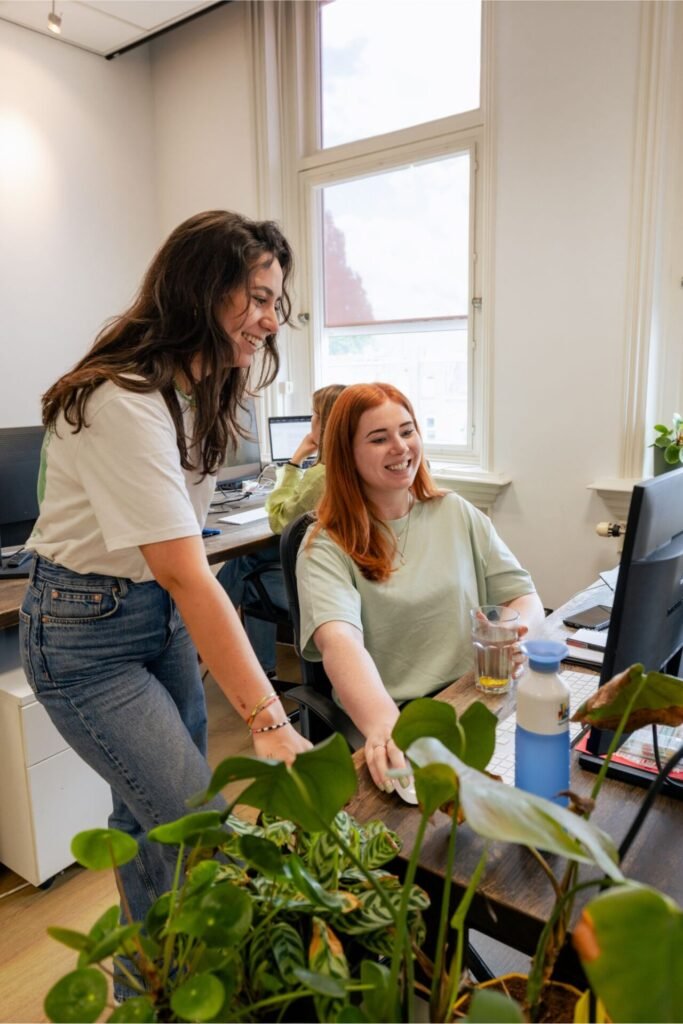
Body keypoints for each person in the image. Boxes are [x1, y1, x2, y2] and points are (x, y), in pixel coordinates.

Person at [18, 211, 311, 946]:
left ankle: (150, 988)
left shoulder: (200, 390)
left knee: (143, 814)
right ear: (199, 293)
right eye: (257, 298)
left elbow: (178, 563)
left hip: (153, 616)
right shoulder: (122, 399)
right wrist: (268, 722)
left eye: (277, 301)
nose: (270, 321)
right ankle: (170, 983)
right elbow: (185, 570)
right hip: (85, 633)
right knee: (191, 821)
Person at [296, 382, 545, 792]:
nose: (400, 446)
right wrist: (384, 726)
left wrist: (520, 637)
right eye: (379, 438)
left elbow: (524, 595)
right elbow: (340, 644)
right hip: (401, 715)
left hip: (475, 699)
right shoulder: (326, 546)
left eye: (407, 431)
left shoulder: (454, 511)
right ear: (346, 454)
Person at [217, 383, 346, 675]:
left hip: (313, 578)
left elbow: (278, 520)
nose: (310, 421)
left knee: (243, 562)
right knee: (251, 579)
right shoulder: (348, 468)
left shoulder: (320, 477)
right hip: (334, 571)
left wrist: (294, 460)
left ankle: (202, 632)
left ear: (326, 425)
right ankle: (262, 672)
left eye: (314, 415)